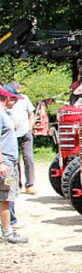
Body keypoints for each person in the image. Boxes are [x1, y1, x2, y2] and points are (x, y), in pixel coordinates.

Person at [0, 87, 27, 243]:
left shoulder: (5, 115)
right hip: (5, 163)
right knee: (5, 197)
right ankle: (7, 232)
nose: (15, 102)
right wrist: (1, 163)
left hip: (9, 161)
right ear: (7, 99)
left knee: (6, 196)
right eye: (14, 99)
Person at [5, 82, 36, 194]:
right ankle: (17, 184)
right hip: (12, 135)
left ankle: (30, 184)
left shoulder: (25, 99)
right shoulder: (6, 102)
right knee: (15, 159)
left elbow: (31, 114)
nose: (18, 96)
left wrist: (30, 128)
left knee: (29, 158)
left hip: (25, 133)